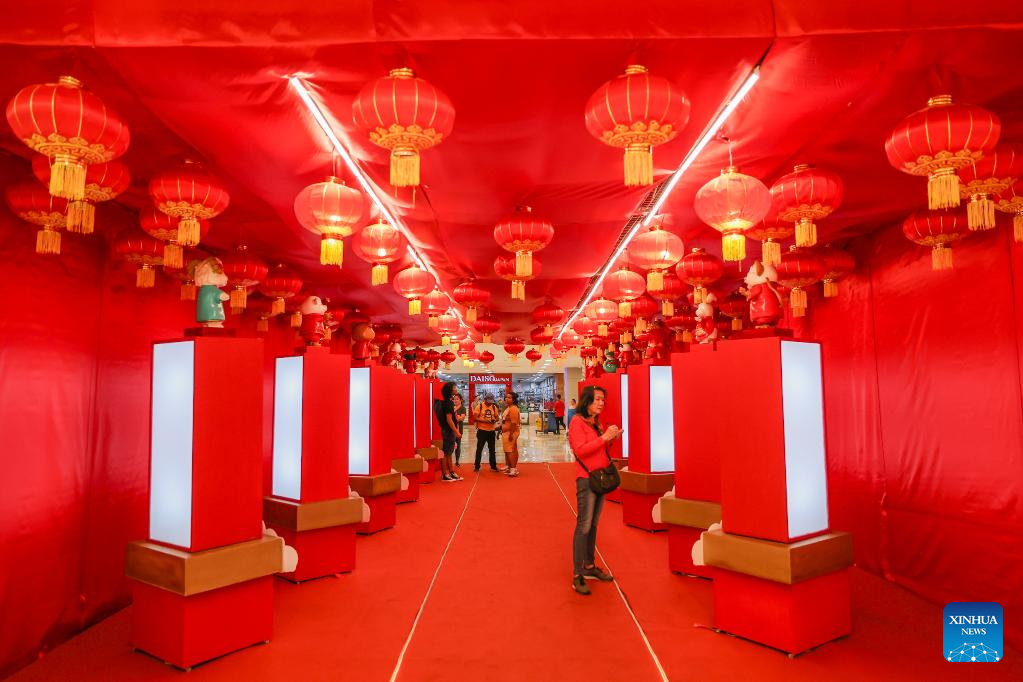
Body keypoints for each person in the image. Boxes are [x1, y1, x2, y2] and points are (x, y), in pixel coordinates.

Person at [567, 385, 620, 595]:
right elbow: (580, 450)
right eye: (597, 399)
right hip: (586, 479)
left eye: (603, 400)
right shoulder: (577, 422)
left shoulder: (595, 422)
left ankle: (589, 566)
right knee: (584, 525)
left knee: (594, 524)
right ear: (587, 400)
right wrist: (604, 438)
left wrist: (610, 439)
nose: (601, 403)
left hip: (600, 477)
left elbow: (600, 447)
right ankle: (577, 573)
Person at [433, 382, 463, 482]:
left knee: (448, 452)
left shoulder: (443, 402)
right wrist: (456, 431)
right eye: (454, 387)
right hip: (448, 431)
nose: (456, 389)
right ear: (450, 390)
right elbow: (449, 419)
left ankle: (451, 471)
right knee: (447, 452)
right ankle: (445, 474)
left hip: (446, 430)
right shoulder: (448, 403)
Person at [473, 392, 501, 472]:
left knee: (492, 450)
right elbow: (475, 418)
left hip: (491, 431)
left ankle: (493, 466)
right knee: (479, 449)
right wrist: (485, 421)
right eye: (488, 402)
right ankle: (477, 466)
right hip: (482, 431)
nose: (489, 404)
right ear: (485, 400)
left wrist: (494, 420)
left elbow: (497, 418)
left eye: (491, 402)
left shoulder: (494, 407)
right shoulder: (480, 406)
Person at [501, 391, 522, 477]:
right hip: (506, 432)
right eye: (506, 397)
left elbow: (514, 423)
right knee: (508, 450)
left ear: (513, 400)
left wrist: (511, 434)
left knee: (511, 451)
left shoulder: (513, 408)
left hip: (511, 432)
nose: (506, 399)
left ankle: (513, 469)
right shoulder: (508, 408)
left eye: (509, 397)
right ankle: (510, 467)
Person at [452, 393, 466, 466]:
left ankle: (457, 461)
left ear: (460, 400)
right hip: (451, 429)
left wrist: (456, 417)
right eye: (454, 399)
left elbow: (461, 418)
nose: (455, 400)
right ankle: (449, 461)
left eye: (457, 399)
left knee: (458, 445)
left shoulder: (462, 408)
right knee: (451, 445)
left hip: (459, 429)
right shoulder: (451, 407)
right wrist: (457, 417)